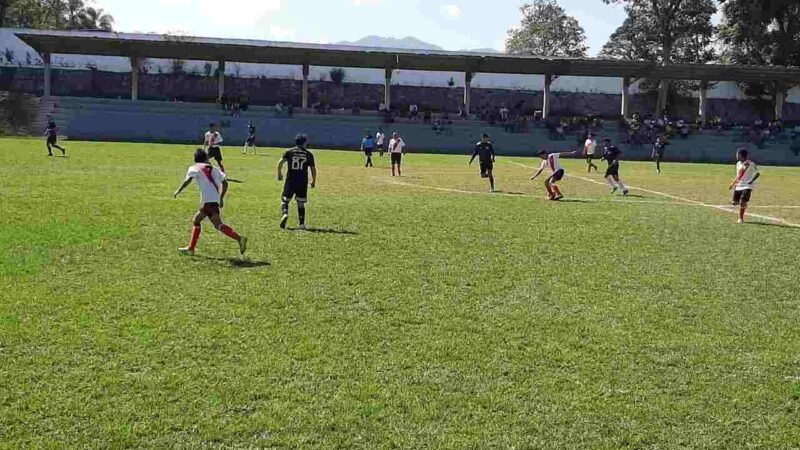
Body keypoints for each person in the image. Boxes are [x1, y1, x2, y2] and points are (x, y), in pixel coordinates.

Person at [172, 149, 247, 256]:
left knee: (216, 224)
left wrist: (178, 190)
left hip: (207, 202)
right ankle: (191, 248)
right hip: (213, 201)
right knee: (197, 220)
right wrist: (221, 197)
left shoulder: (194, 168)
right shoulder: (215, 169)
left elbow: (187, 180)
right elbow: (225, 183)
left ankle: (239, 238)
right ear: (206, 158)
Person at [277, 134, 317, 230]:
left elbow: (280, 163)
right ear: (304, 143)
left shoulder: (289, 152)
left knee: (284, 200)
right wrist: (313, 181)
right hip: (302, 181)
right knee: (300, 203)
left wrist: (279, 174)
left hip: (290, 180)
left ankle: (285, 213)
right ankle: (302, 224)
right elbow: (313, 170)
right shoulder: (308, 154)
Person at [729, 148, 761, 224]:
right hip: (739, 185)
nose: (736, 155)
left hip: (747, 185)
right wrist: (733, 183)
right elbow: (738, 175)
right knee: (734, 202)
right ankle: (744, 204)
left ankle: (741, 218)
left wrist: (752, 180)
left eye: (737, 154)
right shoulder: (738, 164)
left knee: (742, 201)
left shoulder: (750, 163)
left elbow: (758, 173)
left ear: (740, 155)